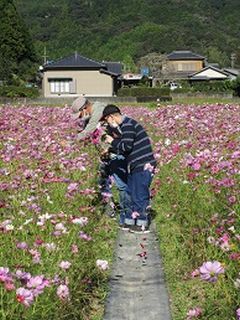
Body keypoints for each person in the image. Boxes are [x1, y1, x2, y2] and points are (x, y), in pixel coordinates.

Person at [72, 97, 131, 224]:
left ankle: (128, 214)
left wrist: (72, 141)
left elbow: (89, 131)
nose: (80, 118)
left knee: (121, 183)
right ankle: (111, 210)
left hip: (115, 152)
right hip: (105, 153)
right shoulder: (93, 114)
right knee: (103, 180)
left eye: (80, 114)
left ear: (85, 108)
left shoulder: (99, 111)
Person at [101, 104, 156, 232]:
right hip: (135, 165)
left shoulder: (128, 125)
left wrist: (111, 141)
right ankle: (130, 221)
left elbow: (126, 147)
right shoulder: (125, 126)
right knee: (131, 192)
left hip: (143, 164)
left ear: (112, 117)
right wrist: (111, 150)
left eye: (107, 120)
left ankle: (142, 224)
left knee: (140, 194)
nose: (107, 124)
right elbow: (124, 148)